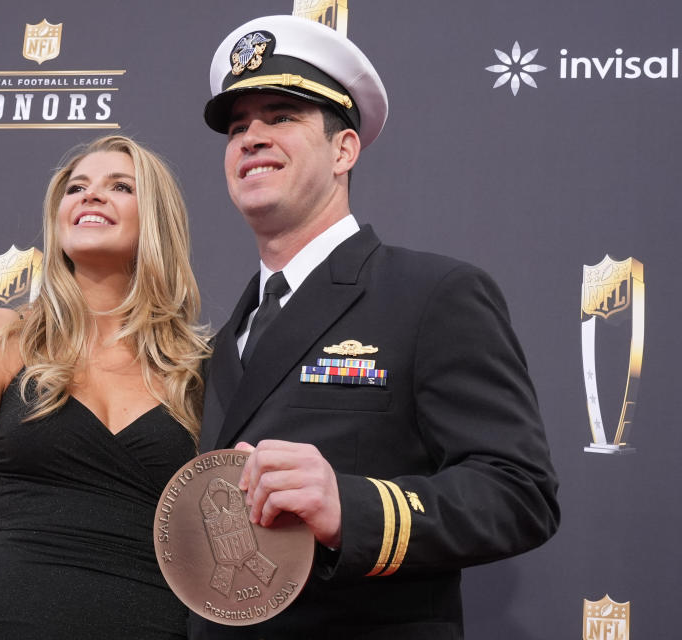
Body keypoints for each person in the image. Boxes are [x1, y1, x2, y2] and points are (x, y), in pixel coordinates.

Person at [191, 15, 560, 639]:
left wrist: (349, 507)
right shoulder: (222, 340)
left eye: (281, 117)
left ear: (344, 149)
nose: (252, 136)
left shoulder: (432, 294)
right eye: (237, 127)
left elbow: (519, 493)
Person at [0, 135, 209, 640]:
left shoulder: (200, 370)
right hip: (3, 620)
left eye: (120, 186)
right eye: (76, 187)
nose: (91, 196)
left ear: (157, 220)